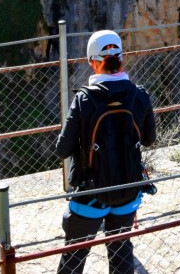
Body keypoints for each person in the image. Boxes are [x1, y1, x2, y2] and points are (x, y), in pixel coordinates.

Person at [55, 30, 157, 274]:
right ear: (122, 59)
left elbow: (62, 149)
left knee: (74, 255)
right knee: (120, 251)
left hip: (92, 194)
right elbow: (149, 139)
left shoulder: (84, 100)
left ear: (92, 62)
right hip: (128, 191)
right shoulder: (140, 95)